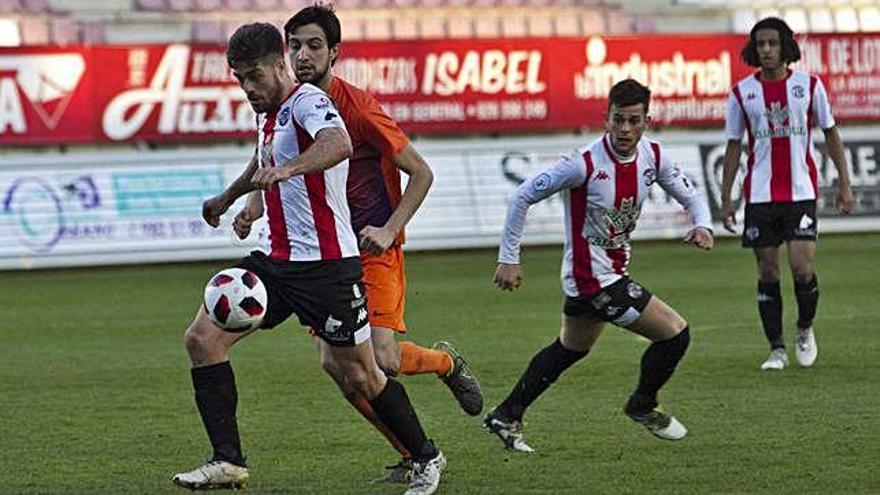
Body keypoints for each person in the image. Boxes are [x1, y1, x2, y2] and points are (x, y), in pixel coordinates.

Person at [172, 23, 446, 495]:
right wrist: (227, 198)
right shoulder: (269, 114)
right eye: (239, 79)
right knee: (201, 339)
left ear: (280, 64)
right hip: (277, 262)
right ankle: (227, 461)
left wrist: (291, 169)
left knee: (359, 373)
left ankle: (426, 456)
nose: (247, 88)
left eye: (254, 76)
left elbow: (338, 144)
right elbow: (262, 162)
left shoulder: (309, 102)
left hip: (327, 266)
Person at [231, 5, 482, 485]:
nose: (303, 56)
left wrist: (389, 230)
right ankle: (412, 455)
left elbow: (422, 172)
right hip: (323, 256)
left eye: (314, 46)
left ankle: (445, 363)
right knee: (339, 368)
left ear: (334, 53)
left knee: (382, 359)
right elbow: (275, 164)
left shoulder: (359, 108)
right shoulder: (284, 108)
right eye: (295, 46)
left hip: (371, 248)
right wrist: (252, 208)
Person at [484, 78, 714, 452]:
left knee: (569, 349)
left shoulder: (653, 157)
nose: (625, 129)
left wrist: (702, 224)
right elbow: (522, 196)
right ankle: (642, 404)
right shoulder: (584, 163)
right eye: (618, 120)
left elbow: (691, 195)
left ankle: (507, 414)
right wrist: (508, 258)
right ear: (606, 119)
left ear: (646, 121)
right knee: (675, 334)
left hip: (605, 274)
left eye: (633, 121)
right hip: (594, 280)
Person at [721, 17, 854, 371]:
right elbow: (734, 147)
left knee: (801, 267)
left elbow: (830, 133)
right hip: (760, 195)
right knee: (768, 272)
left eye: (772, 43)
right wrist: (726, 198)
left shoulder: (810, 86)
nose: (766, 50)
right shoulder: (741, 93)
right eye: (760, 44)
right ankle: (776, 349)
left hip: (800, 192)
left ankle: (804, 329)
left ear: (785, 47)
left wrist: (844, 184)